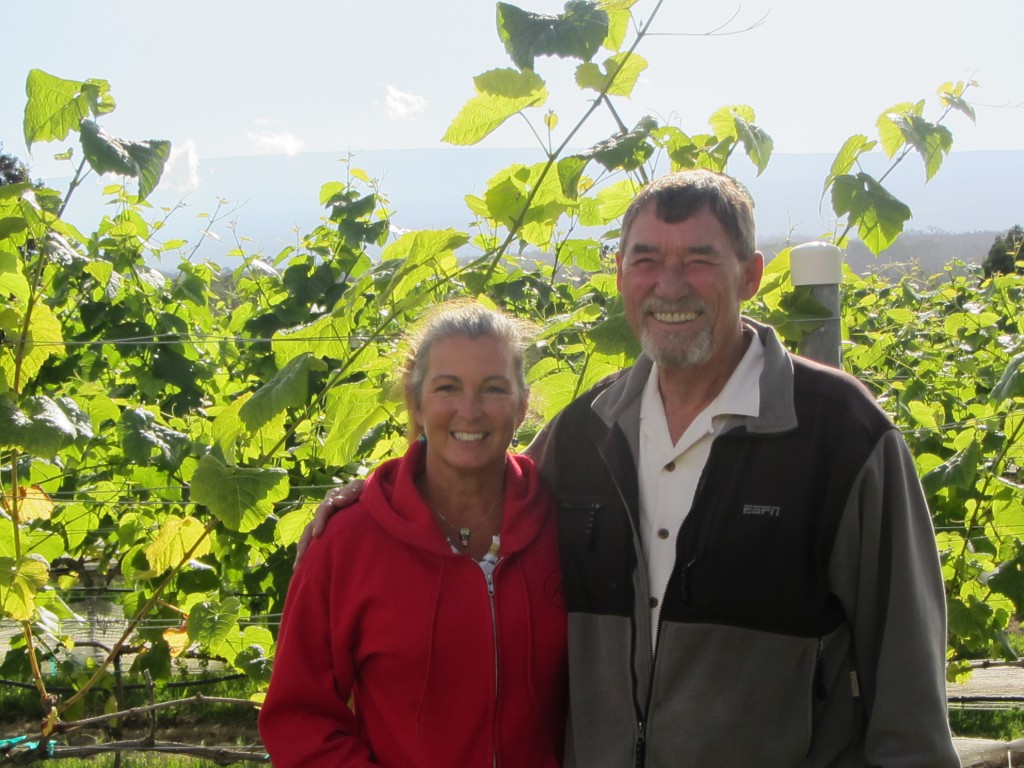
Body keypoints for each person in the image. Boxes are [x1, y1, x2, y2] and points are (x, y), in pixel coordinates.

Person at [303, 170, 958, 767]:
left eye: (699, 260)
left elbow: (909, 698)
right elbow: (472, 493)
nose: (669, 286)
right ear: (619, 274)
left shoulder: (840, 437)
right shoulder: (586, 433)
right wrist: (373, 501)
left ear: (752, 274)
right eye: (646, 260)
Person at [260, 302, 567, 767]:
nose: (470, 410)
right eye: (447, 388)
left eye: (493, 389)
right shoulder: (349, 542)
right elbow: (299, 718)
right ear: (415, 402)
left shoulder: (568, 523)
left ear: (523, 405)